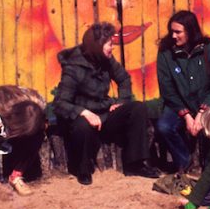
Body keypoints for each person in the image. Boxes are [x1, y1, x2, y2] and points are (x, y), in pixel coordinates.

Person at [53, 22, 161, 185]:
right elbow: (60, 103)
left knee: (137, 108)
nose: (113, 47)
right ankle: (82, 169)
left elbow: (124, 79)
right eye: (110, 44)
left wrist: (122, 101)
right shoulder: (73, 68)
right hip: (83, 119)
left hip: (104, 113)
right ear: (97, 46)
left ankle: (136, 164)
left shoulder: (105, 59)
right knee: (82, 125)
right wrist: (84, 112)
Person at [155, 10, 210, 172]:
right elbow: (167, 90)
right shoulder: (165, 54)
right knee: (164, 126)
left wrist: (202, 113)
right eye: (171, 31)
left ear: (190, 31)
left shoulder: (209, 50)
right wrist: (187, 116)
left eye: (178, 32)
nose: (173, 36)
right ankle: (185, 164)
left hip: (207, 103)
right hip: (178, 105)